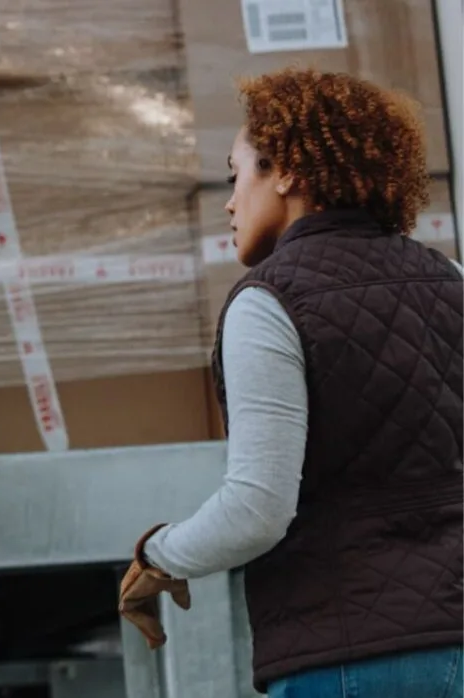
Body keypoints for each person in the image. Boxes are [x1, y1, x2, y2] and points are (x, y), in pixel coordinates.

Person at [118, 67, 463, 697]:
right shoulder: (451, 279)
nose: (228, 201)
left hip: (349, 653)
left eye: (237, 174)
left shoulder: (271, 301)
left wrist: (157, 557)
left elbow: (257, 510)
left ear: (288, 173)